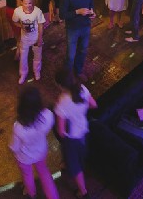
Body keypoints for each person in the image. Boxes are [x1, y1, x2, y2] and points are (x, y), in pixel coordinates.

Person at [54, 68, 97, 199]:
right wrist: (80, 110)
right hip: (83, 130)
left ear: (60, 85)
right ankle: (67, 163)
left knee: (75, 166)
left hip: (71, 137)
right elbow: (94, 105)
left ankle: (83, 192)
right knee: (80, 155)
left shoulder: (62, 102)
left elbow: (61, 131)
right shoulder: (82, 89)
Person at [10, 86, 59, 199]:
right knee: (44, 172)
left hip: (24, 156)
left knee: (27, 175)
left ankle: (31, 194)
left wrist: (12, 149)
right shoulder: (48, 115)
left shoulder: (18, 126)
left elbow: (14, 147)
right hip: (41, 150)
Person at [59, 0, 96, 77]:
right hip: (73, 28)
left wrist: (92, 12)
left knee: (83, 51)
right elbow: (62, 15)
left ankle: (78, 71)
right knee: (71, 55)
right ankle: (68, 76)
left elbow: (91, 3)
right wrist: (77, 12)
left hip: (86, 26)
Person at [13, 0, 46, 84]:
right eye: (26, 3)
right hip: (25, 38)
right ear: (21, 3)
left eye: (30, 3)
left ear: (33, 1)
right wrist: (21, 26)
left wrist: (40, 38)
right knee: (23, 57)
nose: (28, 5)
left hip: (36, 37)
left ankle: (37, 71)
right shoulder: (17, 11)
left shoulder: (38, 11)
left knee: (37, 56)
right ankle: (23, 74)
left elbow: (40, 25)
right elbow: (14, 22)